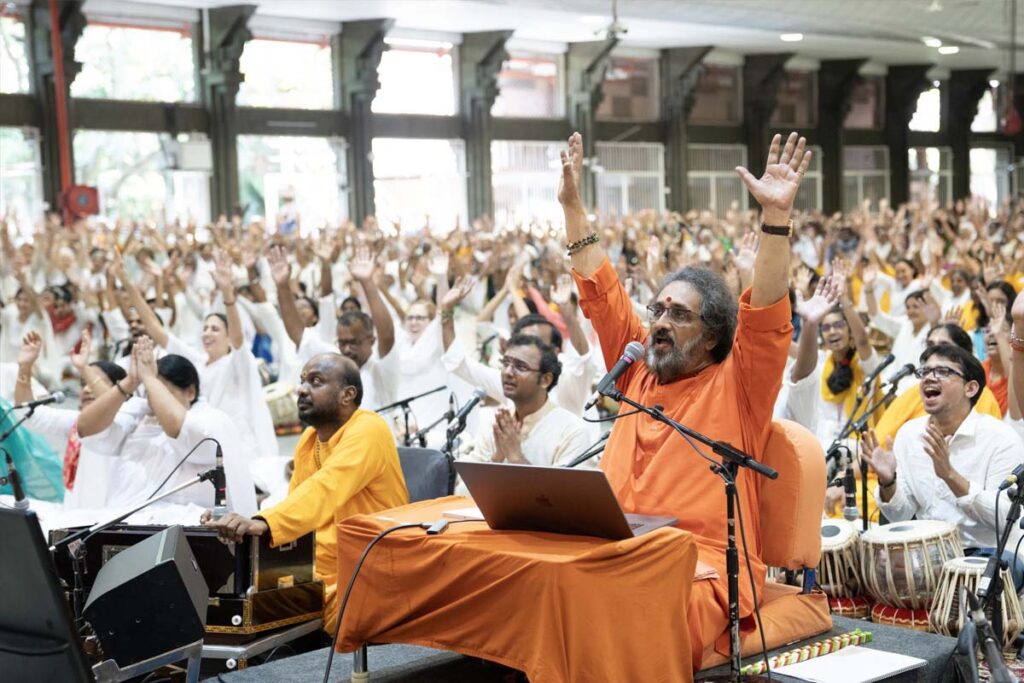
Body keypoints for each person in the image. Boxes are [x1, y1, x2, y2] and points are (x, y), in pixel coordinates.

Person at [560, 130, 812, 670]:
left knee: (618, 612)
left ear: (715, 336)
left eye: (679, 314)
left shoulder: (739, 385)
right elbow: (598, 286)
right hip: (615, 552)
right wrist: (572, 206)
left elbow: (767, 312)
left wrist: (775, 221)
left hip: (700, 572)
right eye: (658, 310)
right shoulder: (635, 369)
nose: (660, 323)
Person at [202, 353, 409, 634]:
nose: (301, 389)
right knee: (230, 599)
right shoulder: (309, 441)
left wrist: (264, 522)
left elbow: (325, 488)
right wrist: (242, 525)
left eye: (316, 381)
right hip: (315, 568)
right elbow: (297, 504)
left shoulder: (369, 429)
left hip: (365, 566)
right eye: (302, 381)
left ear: (347, 395)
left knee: (264, 611)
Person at [862, 344, 1024, 588]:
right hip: (927, 553)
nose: (929, 377)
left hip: (987, 553)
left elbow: (1005, 517)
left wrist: (950, 476)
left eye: (943, 372)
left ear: (971, 388)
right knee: (867, 556)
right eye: (925, 371)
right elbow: (901, 513)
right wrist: (888, 482)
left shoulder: (1000, 439)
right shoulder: (910, 434)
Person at [111, 249, 277, 462]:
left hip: (239, 447)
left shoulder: (238, 361)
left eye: (215, 329)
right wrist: (126, 282)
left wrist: (227, 292)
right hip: (203, 443)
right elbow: (154, 327)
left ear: (228, 337)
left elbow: (238, 340)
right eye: (205, 328)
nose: (207, 333)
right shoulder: (197, 361)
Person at [77, 336, 257, 517]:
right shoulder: (141, 413)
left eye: (161, 391)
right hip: (118, 521)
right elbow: (87, 428)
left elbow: (181, 429)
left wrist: (149, 378)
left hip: (185, 526)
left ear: (191, 392)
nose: (154, 400)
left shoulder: (213, 420)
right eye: (149, 392)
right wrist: (131, 381)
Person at [270, 246, 401, 412]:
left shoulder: (381, 366)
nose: (347, 349)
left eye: (354, 343)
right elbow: (298, 334)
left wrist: (367, 283)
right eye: (342, 343)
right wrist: (282, 286)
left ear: (371, 340)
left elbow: (387, 333)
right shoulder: (334, 362)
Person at [456, 334, 592, 487]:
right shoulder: (498, 423)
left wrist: (516, 457)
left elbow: (564, 500)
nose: (508, 372)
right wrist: (496, 459)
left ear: (545, 380)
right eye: (505, 363)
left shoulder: (572, 430)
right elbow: (462, 493)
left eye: (520, 367)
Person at [15, 327, 128, 509]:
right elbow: (30, 416)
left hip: (109, 522)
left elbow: (121, 408)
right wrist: (25, 367)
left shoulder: (126, 425)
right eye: (83, 384)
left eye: (93, 383)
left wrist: (83, 367)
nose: (86, 389)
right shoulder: (77, 422)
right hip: (74, 514)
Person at [872, 322, 1002, 444]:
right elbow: (879, 442)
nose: (935, 350)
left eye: (944, 345)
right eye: (930, 344)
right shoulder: (912, 396)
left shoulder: (983, 398)